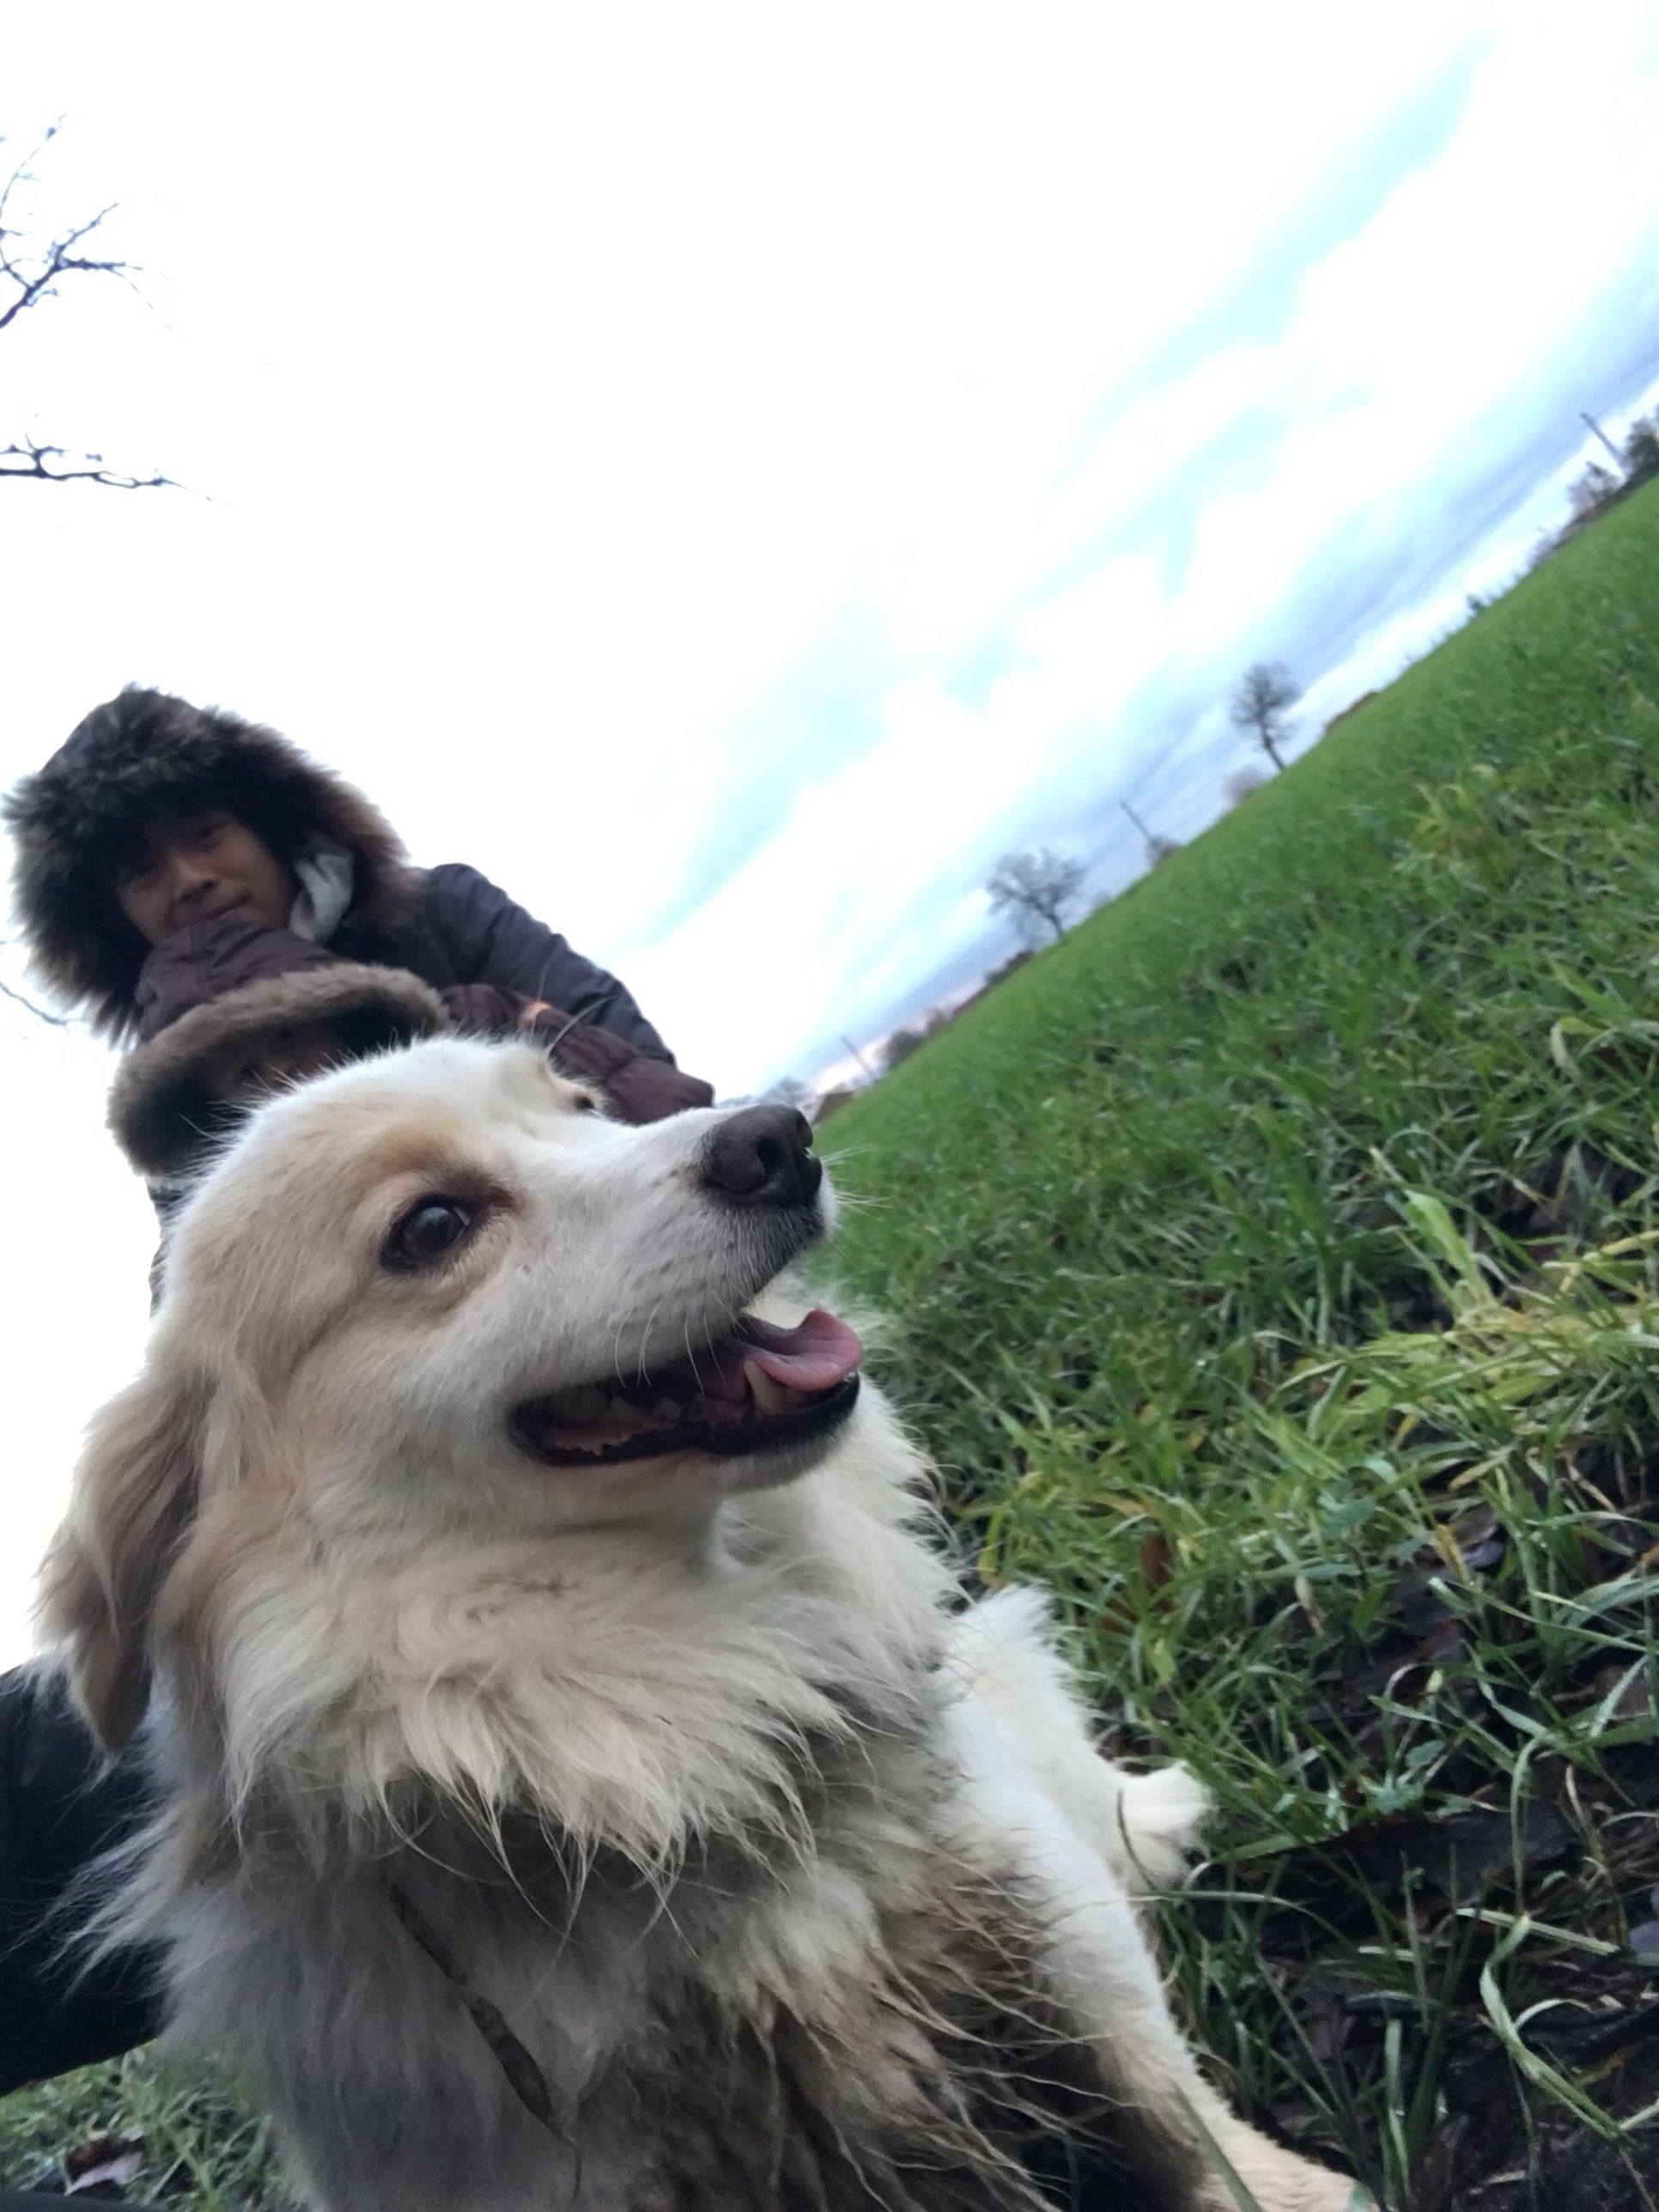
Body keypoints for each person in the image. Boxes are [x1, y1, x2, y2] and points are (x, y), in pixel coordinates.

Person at [0, 684, 716, 2107]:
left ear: (271, 822)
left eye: (203, 832)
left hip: (655, 1294)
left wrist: (447, 1055)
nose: (187, 878)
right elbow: (214, 1325)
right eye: (140, 869)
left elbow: (662, 1098)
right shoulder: (179, 1078)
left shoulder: (446, 917)